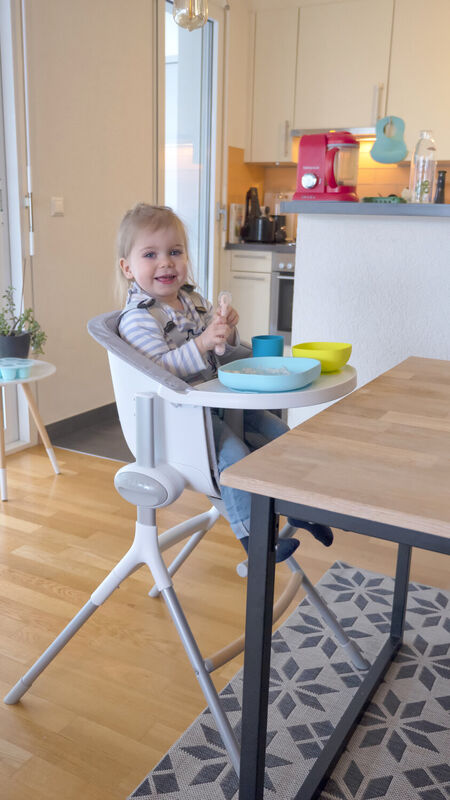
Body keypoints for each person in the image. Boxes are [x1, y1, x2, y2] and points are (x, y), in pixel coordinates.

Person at [116, 203, 332, 561]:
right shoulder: (138, 319)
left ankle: (301, 508)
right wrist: (201, 343)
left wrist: (225, 332)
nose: (166, 263)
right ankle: (255, 540)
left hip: (217, 403)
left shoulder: (192, 302)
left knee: (281, 436)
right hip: (181, 418)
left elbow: (221, 353)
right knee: (234, 454)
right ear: (128, 267)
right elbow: (158, 372)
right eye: (150, 254)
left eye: (175, 252)